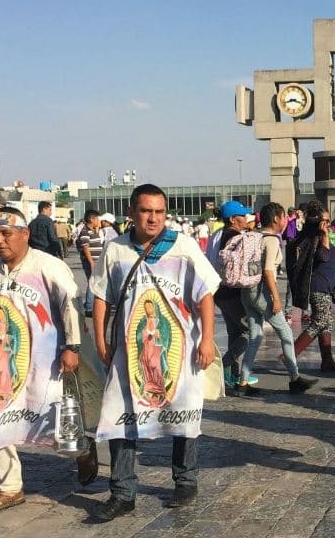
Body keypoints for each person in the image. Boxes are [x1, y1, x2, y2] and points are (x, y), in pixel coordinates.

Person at [91, 184, 221, 521]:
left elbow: (205, 294)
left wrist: (207, 339)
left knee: (184, 412)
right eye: (146, 211)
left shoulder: (182, 246)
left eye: (159, 212)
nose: (153, 218)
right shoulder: (116, 250)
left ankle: (185, 480)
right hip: (129, 351)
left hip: (177, 350)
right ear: (132, 213)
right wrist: (101, 342)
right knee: (120, 417)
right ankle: (122, 492)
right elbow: (101, 297)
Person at [0, 206, 95, 514]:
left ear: (25, 234)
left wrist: (72, 347)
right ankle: (10, 487)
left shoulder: (49, 266)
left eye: (6, 233)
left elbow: (70, 306)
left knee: (53, 421)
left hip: (45, 361)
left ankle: (82, 450)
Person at [239, 202, 317, 394]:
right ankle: (294, 378)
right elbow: (268, 271)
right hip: (262, 293)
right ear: (276, 219)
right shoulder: (272, 240)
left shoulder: (254, 236)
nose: (285, 220)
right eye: (283, 217)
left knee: (255, 336)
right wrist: (276, 298)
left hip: (247, 291)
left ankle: (243, 382)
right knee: (286, 333)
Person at [288, 201, 335, 372]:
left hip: (326, 286)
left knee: (326, 323)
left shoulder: (317, 236)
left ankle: (327, 360)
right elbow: (324, 256)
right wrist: (324, 234)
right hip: (318, 286)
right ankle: (290, 354)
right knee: (319, 321)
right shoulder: (314, 238)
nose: (327, 224)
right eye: (324, 221)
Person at [211, 200, 255, 392]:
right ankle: (225, 364)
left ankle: (232, 375)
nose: (246, 218)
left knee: (234, 333)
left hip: (218, 291)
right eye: (242, 215)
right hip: (234, 291)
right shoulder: (236, 238)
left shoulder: (216, 235)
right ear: (232, 219)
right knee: (250, 332)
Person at [76, 210, 103, 317]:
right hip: (92, 261)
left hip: (96, 260)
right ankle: (89, 308)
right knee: (92, 282)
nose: (98, 220)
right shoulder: (85, 231)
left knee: (94, 282)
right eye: (97, 218)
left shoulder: (93, 230)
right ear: (91, 219)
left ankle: (89, 304)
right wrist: (91, 262)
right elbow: (85, 247)